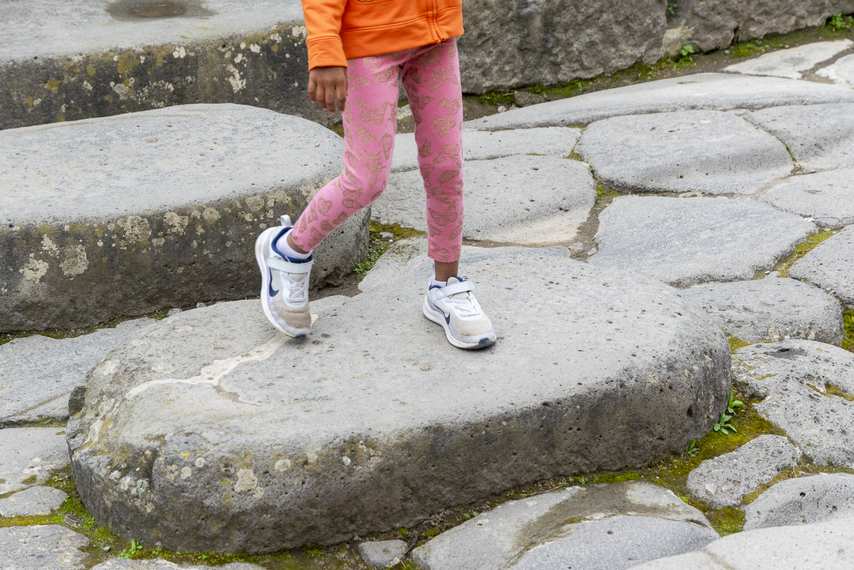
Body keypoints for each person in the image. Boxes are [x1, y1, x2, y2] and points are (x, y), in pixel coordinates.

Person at [255, 0, 496, 350]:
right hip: (367, 41)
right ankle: (289, 249)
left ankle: (446, 286)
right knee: (365, 181)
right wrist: (325, 49)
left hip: (435, 34)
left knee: (446, 167)